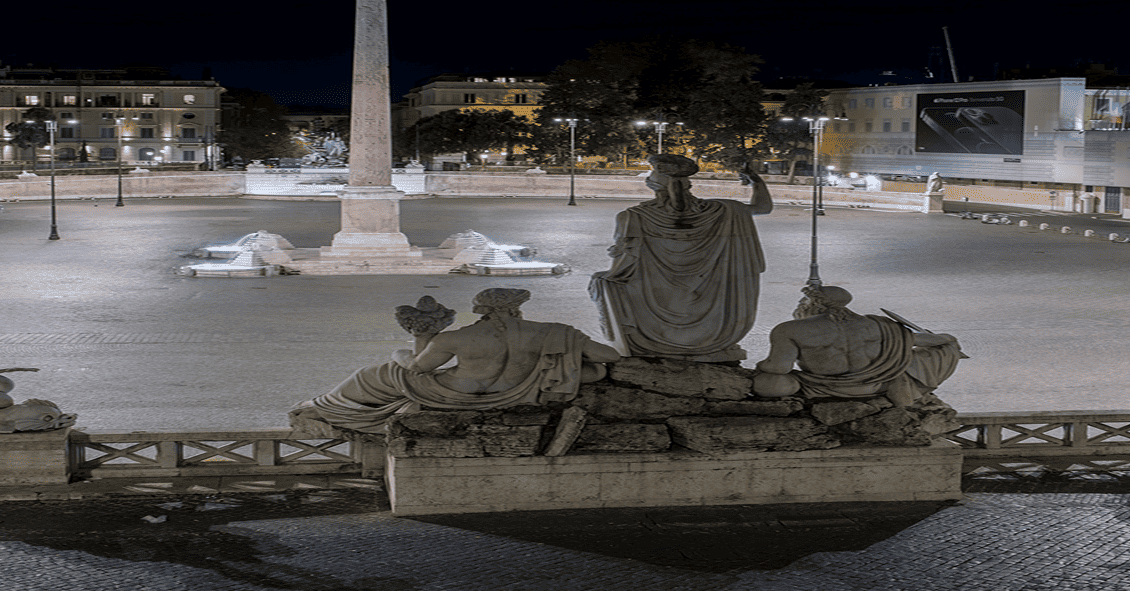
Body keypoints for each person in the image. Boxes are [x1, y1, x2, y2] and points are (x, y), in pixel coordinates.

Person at [290, 289, 620, 435]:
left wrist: (400, 352)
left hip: (454, 393)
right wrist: (564, 355)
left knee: (374, 375)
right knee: (593, 373)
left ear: (483, 311)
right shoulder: (551, 332)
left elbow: (418, 368)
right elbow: (610, 358)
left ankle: (324, 407)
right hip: (520, 392)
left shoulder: (457, 338)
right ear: (516, 308)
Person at [589, 153, 772, 363]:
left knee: (601, 280)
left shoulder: (632, 217)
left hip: (652, 324)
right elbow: (763, 207)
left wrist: (602, 280)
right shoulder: (725, 211)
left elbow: (622, 268)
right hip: (714, 327)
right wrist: (755, 180)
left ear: (653, 183)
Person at [753, 285, 966, 406]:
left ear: (813, 304)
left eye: (803, 302)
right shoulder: (879, 325)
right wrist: (948, 339)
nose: (799, 306)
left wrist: (760, 366)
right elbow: (927, 341)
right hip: (874, 386)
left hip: (821, 388)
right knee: (908, 365)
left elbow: (779, 368)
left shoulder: (789, 329)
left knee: (769, 383)